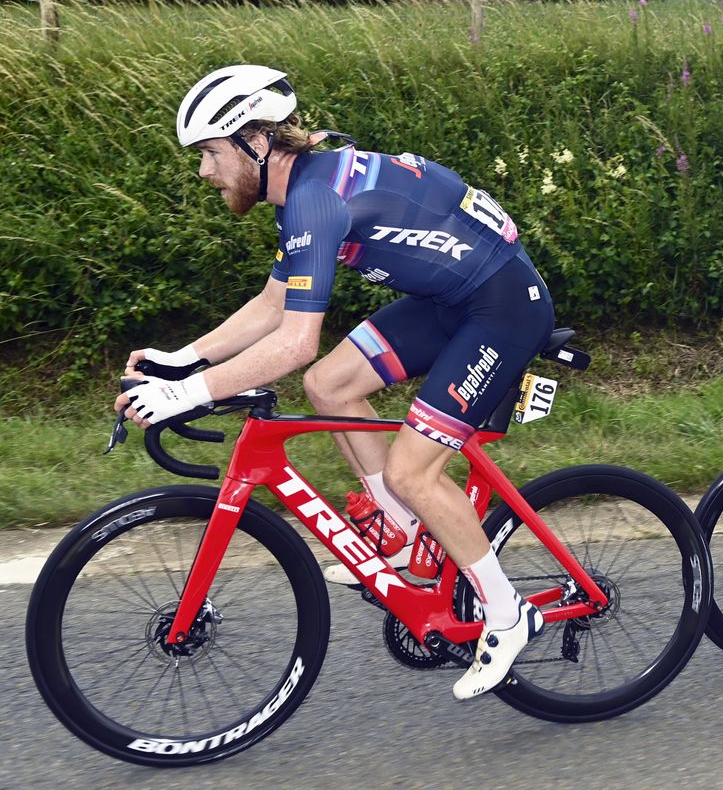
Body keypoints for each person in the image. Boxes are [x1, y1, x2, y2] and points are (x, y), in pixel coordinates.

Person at [115, 65, 552, 698]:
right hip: (450, 301)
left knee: (413, 469)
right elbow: (273, 304)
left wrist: (184, 394)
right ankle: (402, 534)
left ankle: (507, 614)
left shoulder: (316, 200)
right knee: (329, 385)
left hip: (503, 309)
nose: (204, 171)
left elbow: (294, 340)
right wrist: (186, 359)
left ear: (256, 142)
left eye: (210, 153)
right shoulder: (307, 191)